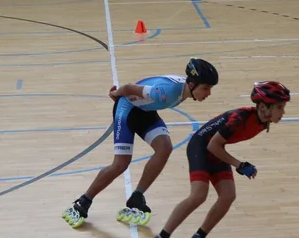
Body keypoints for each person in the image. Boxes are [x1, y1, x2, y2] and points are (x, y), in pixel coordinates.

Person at [141, 80, 291, 238]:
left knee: (228, 196)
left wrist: (237, 163)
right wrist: (239, 165)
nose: (283, 112)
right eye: (279, 107)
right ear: (263, 106)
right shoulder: (240, 118)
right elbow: (212, 145)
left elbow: (218, 145)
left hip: (216, 149)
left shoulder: (263, 122)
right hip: (201, 147)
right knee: (198, 195)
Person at [61, 58, 219, 228]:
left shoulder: (184, 90)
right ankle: (84, 201)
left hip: (144, 110)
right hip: (126, 109)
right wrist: (116, 94)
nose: (208, 93)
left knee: (164, 148)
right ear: (192, 84)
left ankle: (137, 196)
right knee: (121, 164)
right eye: (206, 88)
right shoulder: (166, 91)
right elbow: (129, 88)